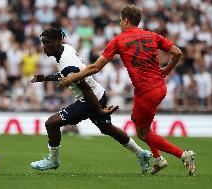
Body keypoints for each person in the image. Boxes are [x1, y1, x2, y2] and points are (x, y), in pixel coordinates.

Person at [59, 5, 196, 176]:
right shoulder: (152, 35)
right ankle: (157, 159)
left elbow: (95, 67)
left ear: (125, 20)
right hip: (159, 87)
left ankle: (183, 155)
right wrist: (166, 70)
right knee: (138, 121)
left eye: (120, 20)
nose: (120, 23)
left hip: (147, 91)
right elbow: (177, 52)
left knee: (143, 133)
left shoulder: (119, 40)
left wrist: (71, 78)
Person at [30, 27, 152, 174]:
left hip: (89, 99)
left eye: (47, 42)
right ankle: (142, 154)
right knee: (107, 128)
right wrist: (46, 78)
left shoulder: (67, 63)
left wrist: (99, 110)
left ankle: (53, 160)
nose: (44, 46)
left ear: (57, 41)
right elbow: (67, 74)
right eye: (43, 42)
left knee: (51, 123)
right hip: (99, 93)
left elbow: (85, 88)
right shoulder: (66, 49)